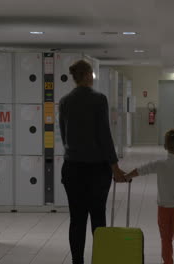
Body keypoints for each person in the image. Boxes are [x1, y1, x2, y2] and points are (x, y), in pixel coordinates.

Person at [58, 60, 126, 264]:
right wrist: (115, 167)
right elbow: (104, 136)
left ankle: (77, 261)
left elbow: (64, 136)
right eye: (92, 73)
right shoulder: (99, 99)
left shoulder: (64, 101)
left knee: (76, 220)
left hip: (72, 169)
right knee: (98, 217)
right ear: (88, 75)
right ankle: (101, 258)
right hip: (97, 170)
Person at [124, 129, 174, 264]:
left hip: (163, 209)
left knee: (165, 239)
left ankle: (167, 262)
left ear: (165, 147)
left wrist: (127, 176)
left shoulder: (160, 165)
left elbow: (142, 170)